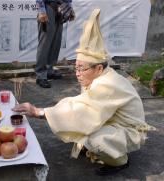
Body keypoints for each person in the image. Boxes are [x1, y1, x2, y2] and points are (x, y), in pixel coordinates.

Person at [13, 9, 154, 175]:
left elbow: (83, 112)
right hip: (109, 119)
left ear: (99, 67)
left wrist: (38, 112)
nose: (77, 73)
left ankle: (119, 161)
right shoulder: (97, 76)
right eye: (76, 68)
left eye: (82, 68)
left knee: (93, 137)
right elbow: (83, 104)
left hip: (130, 131)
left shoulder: (108, 84)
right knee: (78, 119)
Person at [35, 0, 75, 88]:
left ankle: (49, 70)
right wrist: (41, 11)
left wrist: (69, 7)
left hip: (61, 8)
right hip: (47, 7)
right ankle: (41, 75)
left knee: (55, 42)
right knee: (45, 44)